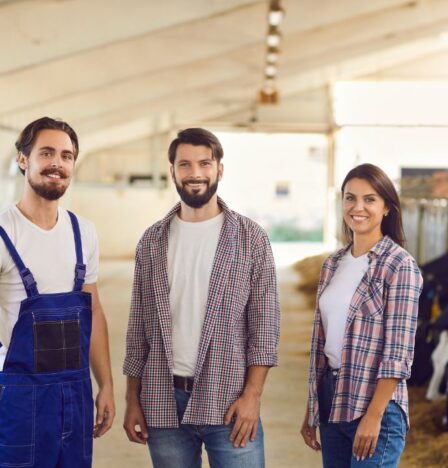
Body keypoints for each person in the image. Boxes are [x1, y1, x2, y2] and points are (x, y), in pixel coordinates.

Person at [123, 127, 280, 468]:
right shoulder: (151, 242)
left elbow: (264, 330)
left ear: (219, 169)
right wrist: (132, 398)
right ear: (173, 171)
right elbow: (138, 329)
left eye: (205, 163)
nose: (195, 173)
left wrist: (252, 397)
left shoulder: (251, 239)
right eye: (185, 164)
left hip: (230, 400)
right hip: (163, 401)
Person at [0, 117, 115, 467]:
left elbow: (93, 311)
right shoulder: (5, 233)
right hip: (17, 396)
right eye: (46, 153)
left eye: (67, 156)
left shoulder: (84, 232)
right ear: (23, 160)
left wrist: (106, 384)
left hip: (75, 392)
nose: (57, 163)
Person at [301, 163, 423, 467]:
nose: (358, 207)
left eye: (369, 199)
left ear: (386, 208)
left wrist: (374, 415)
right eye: (350, 198)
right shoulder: (333, 264)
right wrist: (312, 407)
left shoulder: (399, 266)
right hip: (332, 398)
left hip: (374, 403)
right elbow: (323, 343)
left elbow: (398, 352)